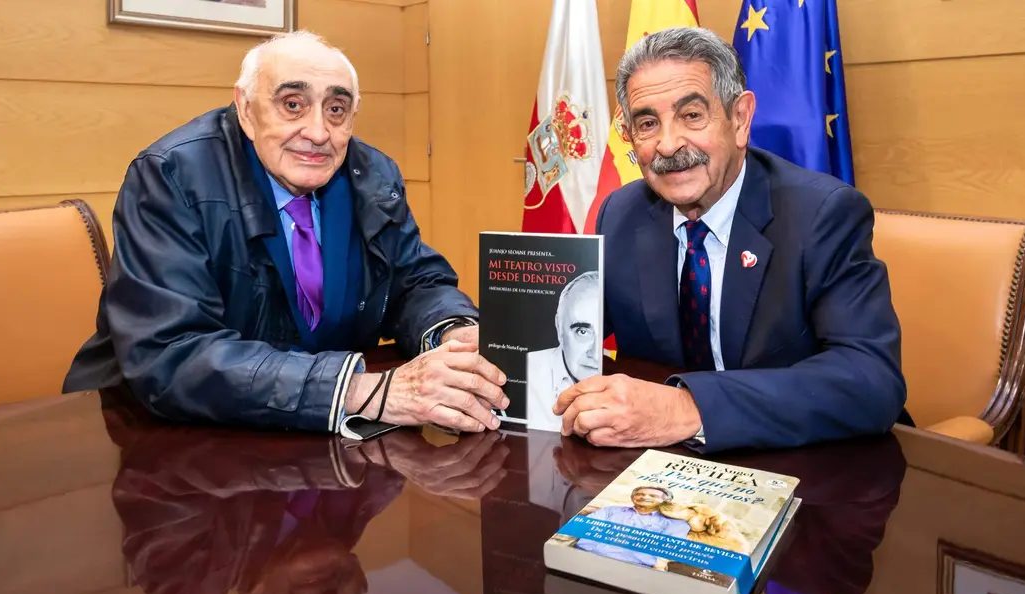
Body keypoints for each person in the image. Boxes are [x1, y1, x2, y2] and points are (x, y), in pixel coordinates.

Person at [62, 30, 508, 436]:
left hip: (314, 444)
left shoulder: (373, 176)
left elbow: (414, 283)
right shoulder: (172, 176)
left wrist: (452, 331)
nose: (317, 132)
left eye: (336, 109)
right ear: (245, 108)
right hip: (159, 437)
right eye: (292, 103)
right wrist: (361, 391)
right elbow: (171, 353)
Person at [553, 27, 908, 452]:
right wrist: (485, 339)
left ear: (739, 119)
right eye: (648, 123)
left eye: (691, 116)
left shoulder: (823, 216)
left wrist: (689, 408)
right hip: (662, 467)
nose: (668, 145)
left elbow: (871, 380)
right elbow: (572, 325)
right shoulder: (623, 213)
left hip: (809, 466)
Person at [525, 271, 601, 431]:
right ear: (559, 327)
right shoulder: (523, 373)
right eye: (582, 331)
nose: (595, 355)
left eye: (605, 334)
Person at [572, 486, 691, 569]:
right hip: (582, 556)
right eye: (640, 494)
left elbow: (666, 549)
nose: (644, 497)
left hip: (631, 568)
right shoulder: (611, 510)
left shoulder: (676, 523)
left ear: (667, 501)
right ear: (632, 497)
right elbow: (584, 527)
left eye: (653, 495)